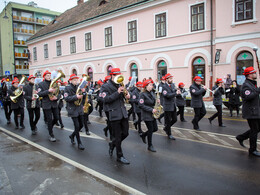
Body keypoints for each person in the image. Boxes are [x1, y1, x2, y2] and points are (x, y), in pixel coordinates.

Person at [102, 68, 130, 164]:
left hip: (123, 112)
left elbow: (122, 98)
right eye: (116, 75)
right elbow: (106, 99)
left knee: (126, 133)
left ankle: (112, 144)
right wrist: (117, 92)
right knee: (117, 136)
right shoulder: (105, 86)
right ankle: (119, 156)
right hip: (114, 113)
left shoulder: (120, 84)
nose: (118, 78)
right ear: (112, 75)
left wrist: (126, 95)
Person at [236, 67, 260, 157]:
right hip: (251, 112)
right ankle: (252, 150)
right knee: (254, 130)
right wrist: (258, 90)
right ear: (250, 74)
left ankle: (241, 137)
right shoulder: (246, 85)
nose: (255, 74)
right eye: (254, 73)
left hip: (256, 110)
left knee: (257, 129)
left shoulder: (253, 84)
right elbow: (248, 97)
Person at [37, 71, 61, 142]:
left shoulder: (54, 83)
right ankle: (51, 134)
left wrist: (56, 97)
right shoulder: (41, 84)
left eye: (49, 75)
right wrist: (48, 91)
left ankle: (50, 127)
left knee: (56, 118)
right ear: (44, 76)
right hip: (46, 104)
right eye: (47, 75)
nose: (49, 77)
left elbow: (59, 93)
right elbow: (39, 94)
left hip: (54, 103)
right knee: (49, 119)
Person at [64, 74, 85, 150]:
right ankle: (79, 143)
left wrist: (83, 92)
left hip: (79, 108)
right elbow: (66, 98)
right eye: (74, 80)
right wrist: (76, 97)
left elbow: (82, 97)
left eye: (77, 80)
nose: (76, 81)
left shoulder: (78, 87)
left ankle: (72, 135)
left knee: (81, 125)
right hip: (72, 109)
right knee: (76, 126)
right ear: (71, 80)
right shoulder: (67, 88)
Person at [139, 79, 158, 152]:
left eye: (152, 85)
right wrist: (151, 110)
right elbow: (141, 105)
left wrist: (157, 101)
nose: (152, 86)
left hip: (152, 114)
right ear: (146, 86)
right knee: (150, 129)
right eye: (150, 85)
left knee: (155, 129)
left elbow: (152, 102)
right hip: (147, 114)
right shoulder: (142, 94)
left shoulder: (152, 93)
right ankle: (150, 145)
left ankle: (143, 135)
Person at [162, 73, 179, 140]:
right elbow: (167, 95)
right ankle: (169, 134)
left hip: (173, 105)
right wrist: (175, 93)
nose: (171, 80)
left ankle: (166, 128)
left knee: (175, 119)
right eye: (170, 78)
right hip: (167, 106)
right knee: (168, 121)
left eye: (172, 78)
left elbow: (173, 92)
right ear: (167, 79)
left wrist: (177, 90)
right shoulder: (164, 87)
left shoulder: (172, 85)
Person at [101, 75, 113, 140]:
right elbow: (101, 98)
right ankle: (111, 135)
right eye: (107, 80)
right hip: (107, 107)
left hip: (113, 107)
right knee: (110, 121)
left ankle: (106, 129)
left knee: (112, 121)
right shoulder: (104, 87)